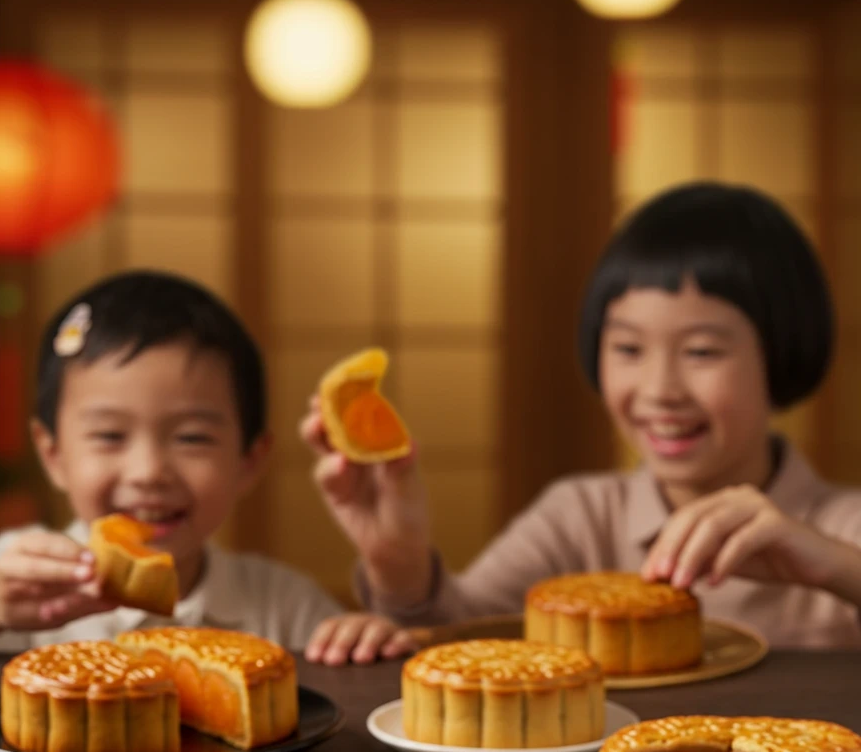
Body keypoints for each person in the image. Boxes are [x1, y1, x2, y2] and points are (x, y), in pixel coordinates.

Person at [302, 181, 861, 659]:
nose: (659, 390)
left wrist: (834, 568)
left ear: (784, 353)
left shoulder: (842, 528)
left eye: (702, 352)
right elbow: (456, 640)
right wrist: (397, 559)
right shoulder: (580, 518)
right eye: (628, 349)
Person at [0, 270, 413, 661]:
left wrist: (367, 643)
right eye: (109, 436)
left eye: (191, 438)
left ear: (249, 461)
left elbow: (354, 695)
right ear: (53, 455)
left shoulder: (284, 605)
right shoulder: (14, 578)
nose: (148, 471)